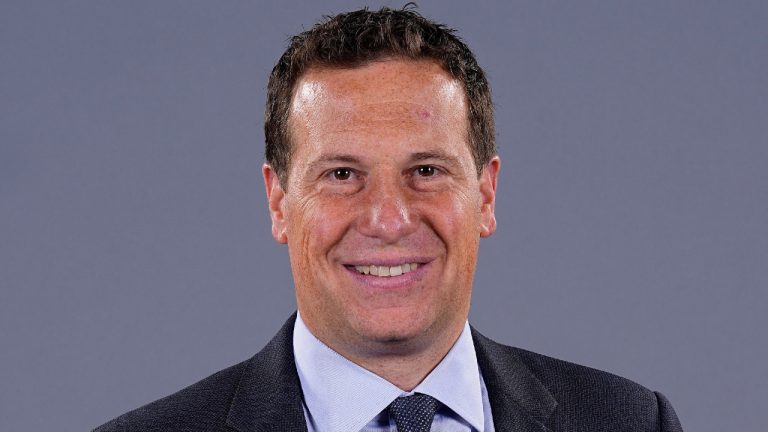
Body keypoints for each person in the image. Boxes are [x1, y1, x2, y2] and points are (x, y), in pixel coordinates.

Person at [94, 6, 683, 432]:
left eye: (426, 170)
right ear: (278, 203)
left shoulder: (631, 421)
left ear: (486, 193)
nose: (388, 218)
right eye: (342, 175)